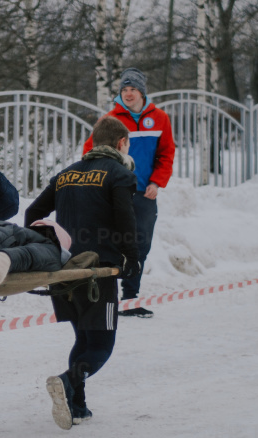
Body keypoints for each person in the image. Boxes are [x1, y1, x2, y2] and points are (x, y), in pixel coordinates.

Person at [26, 116, 140, 430]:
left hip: (63, 272)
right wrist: (132, 258)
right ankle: (66, 381)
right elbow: (125, 219)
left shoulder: (64, 175)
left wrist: (42, 250)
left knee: (84, 339)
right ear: (121, 144)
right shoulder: (119, 174)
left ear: (92, 144)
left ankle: (77, 405)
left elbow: (33, 213)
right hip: (97, 272)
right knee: (101, 345)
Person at [83, 67, 175, 318]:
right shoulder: (110, 120)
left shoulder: (160, 119)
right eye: (124, 89)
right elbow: (89, 152)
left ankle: (130, 299)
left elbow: (166, 154)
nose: (128, 93)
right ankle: (106, 299)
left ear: (142, 91)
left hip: (145, 194)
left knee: (139, 246)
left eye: (133, 89)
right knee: (111, 243)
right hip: (114, 194)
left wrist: (156, 182)